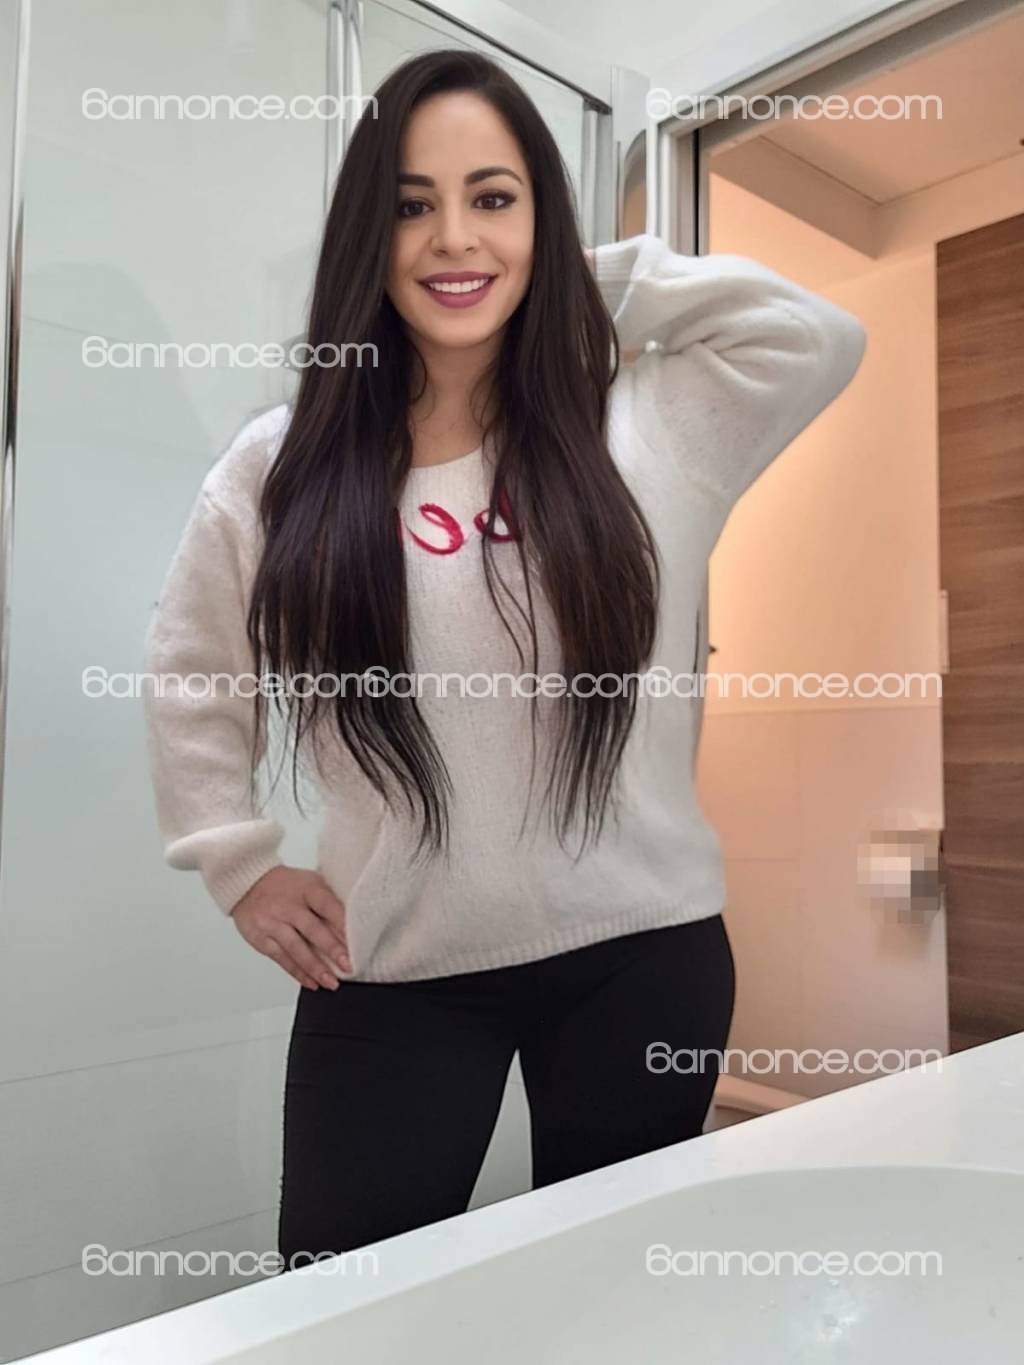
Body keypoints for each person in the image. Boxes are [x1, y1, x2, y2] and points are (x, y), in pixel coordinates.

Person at [141, 49, 866, 1269]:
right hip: (393, 966)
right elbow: (191, 667)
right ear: (368, 232)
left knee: (617, 1291)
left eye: (492, 197)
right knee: (341, 1303)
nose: (450, 239)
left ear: (545, 217)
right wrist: (237, 863)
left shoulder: (647, 420)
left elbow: (814, 333)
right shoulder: (284, 462)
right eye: (411, 205)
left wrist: (563, 283)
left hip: (642, 953)